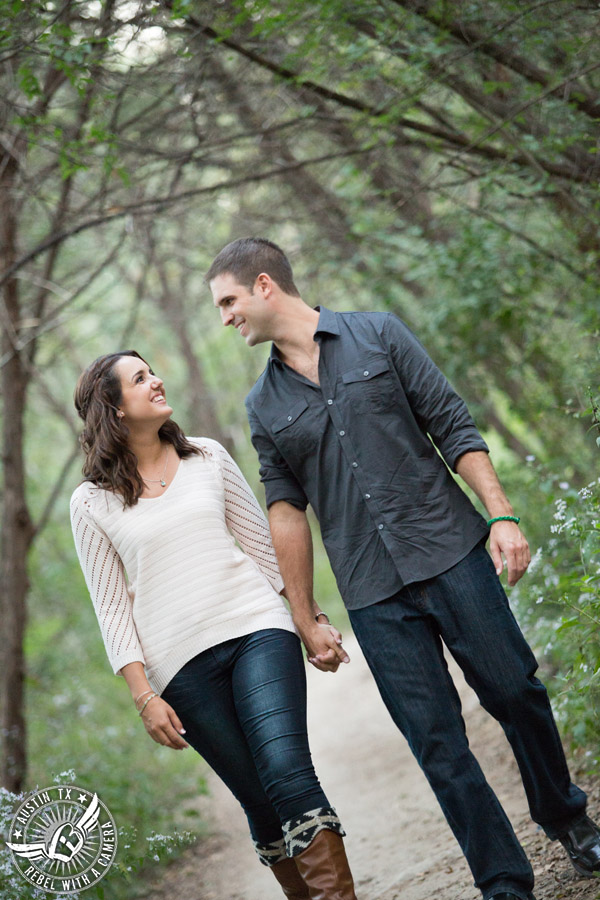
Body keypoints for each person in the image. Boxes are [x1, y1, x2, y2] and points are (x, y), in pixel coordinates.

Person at [207, 237, 600, 900]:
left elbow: (451, 423)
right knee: (438, 746)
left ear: (266, 285)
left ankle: (566, 817)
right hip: (371, 589)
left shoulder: (378, 335)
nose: (225, 317)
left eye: (229, 300)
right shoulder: (262, 405)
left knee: (516, 692)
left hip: (448, 549)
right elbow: (285, 512)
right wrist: (304, 617)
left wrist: (501, 514)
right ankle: (504, 882)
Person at [69, 349, 359, 900]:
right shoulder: (91, 503)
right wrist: (143, 696)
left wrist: (310, 620)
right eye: (139, 378)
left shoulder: (207, 457)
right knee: (257, 795)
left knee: (284, 765)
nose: (156, 380)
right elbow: (111, 607)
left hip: (255, 627)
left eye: (152, 369)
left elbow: (264, 551)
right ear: (115, 408)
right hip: (178, 667)